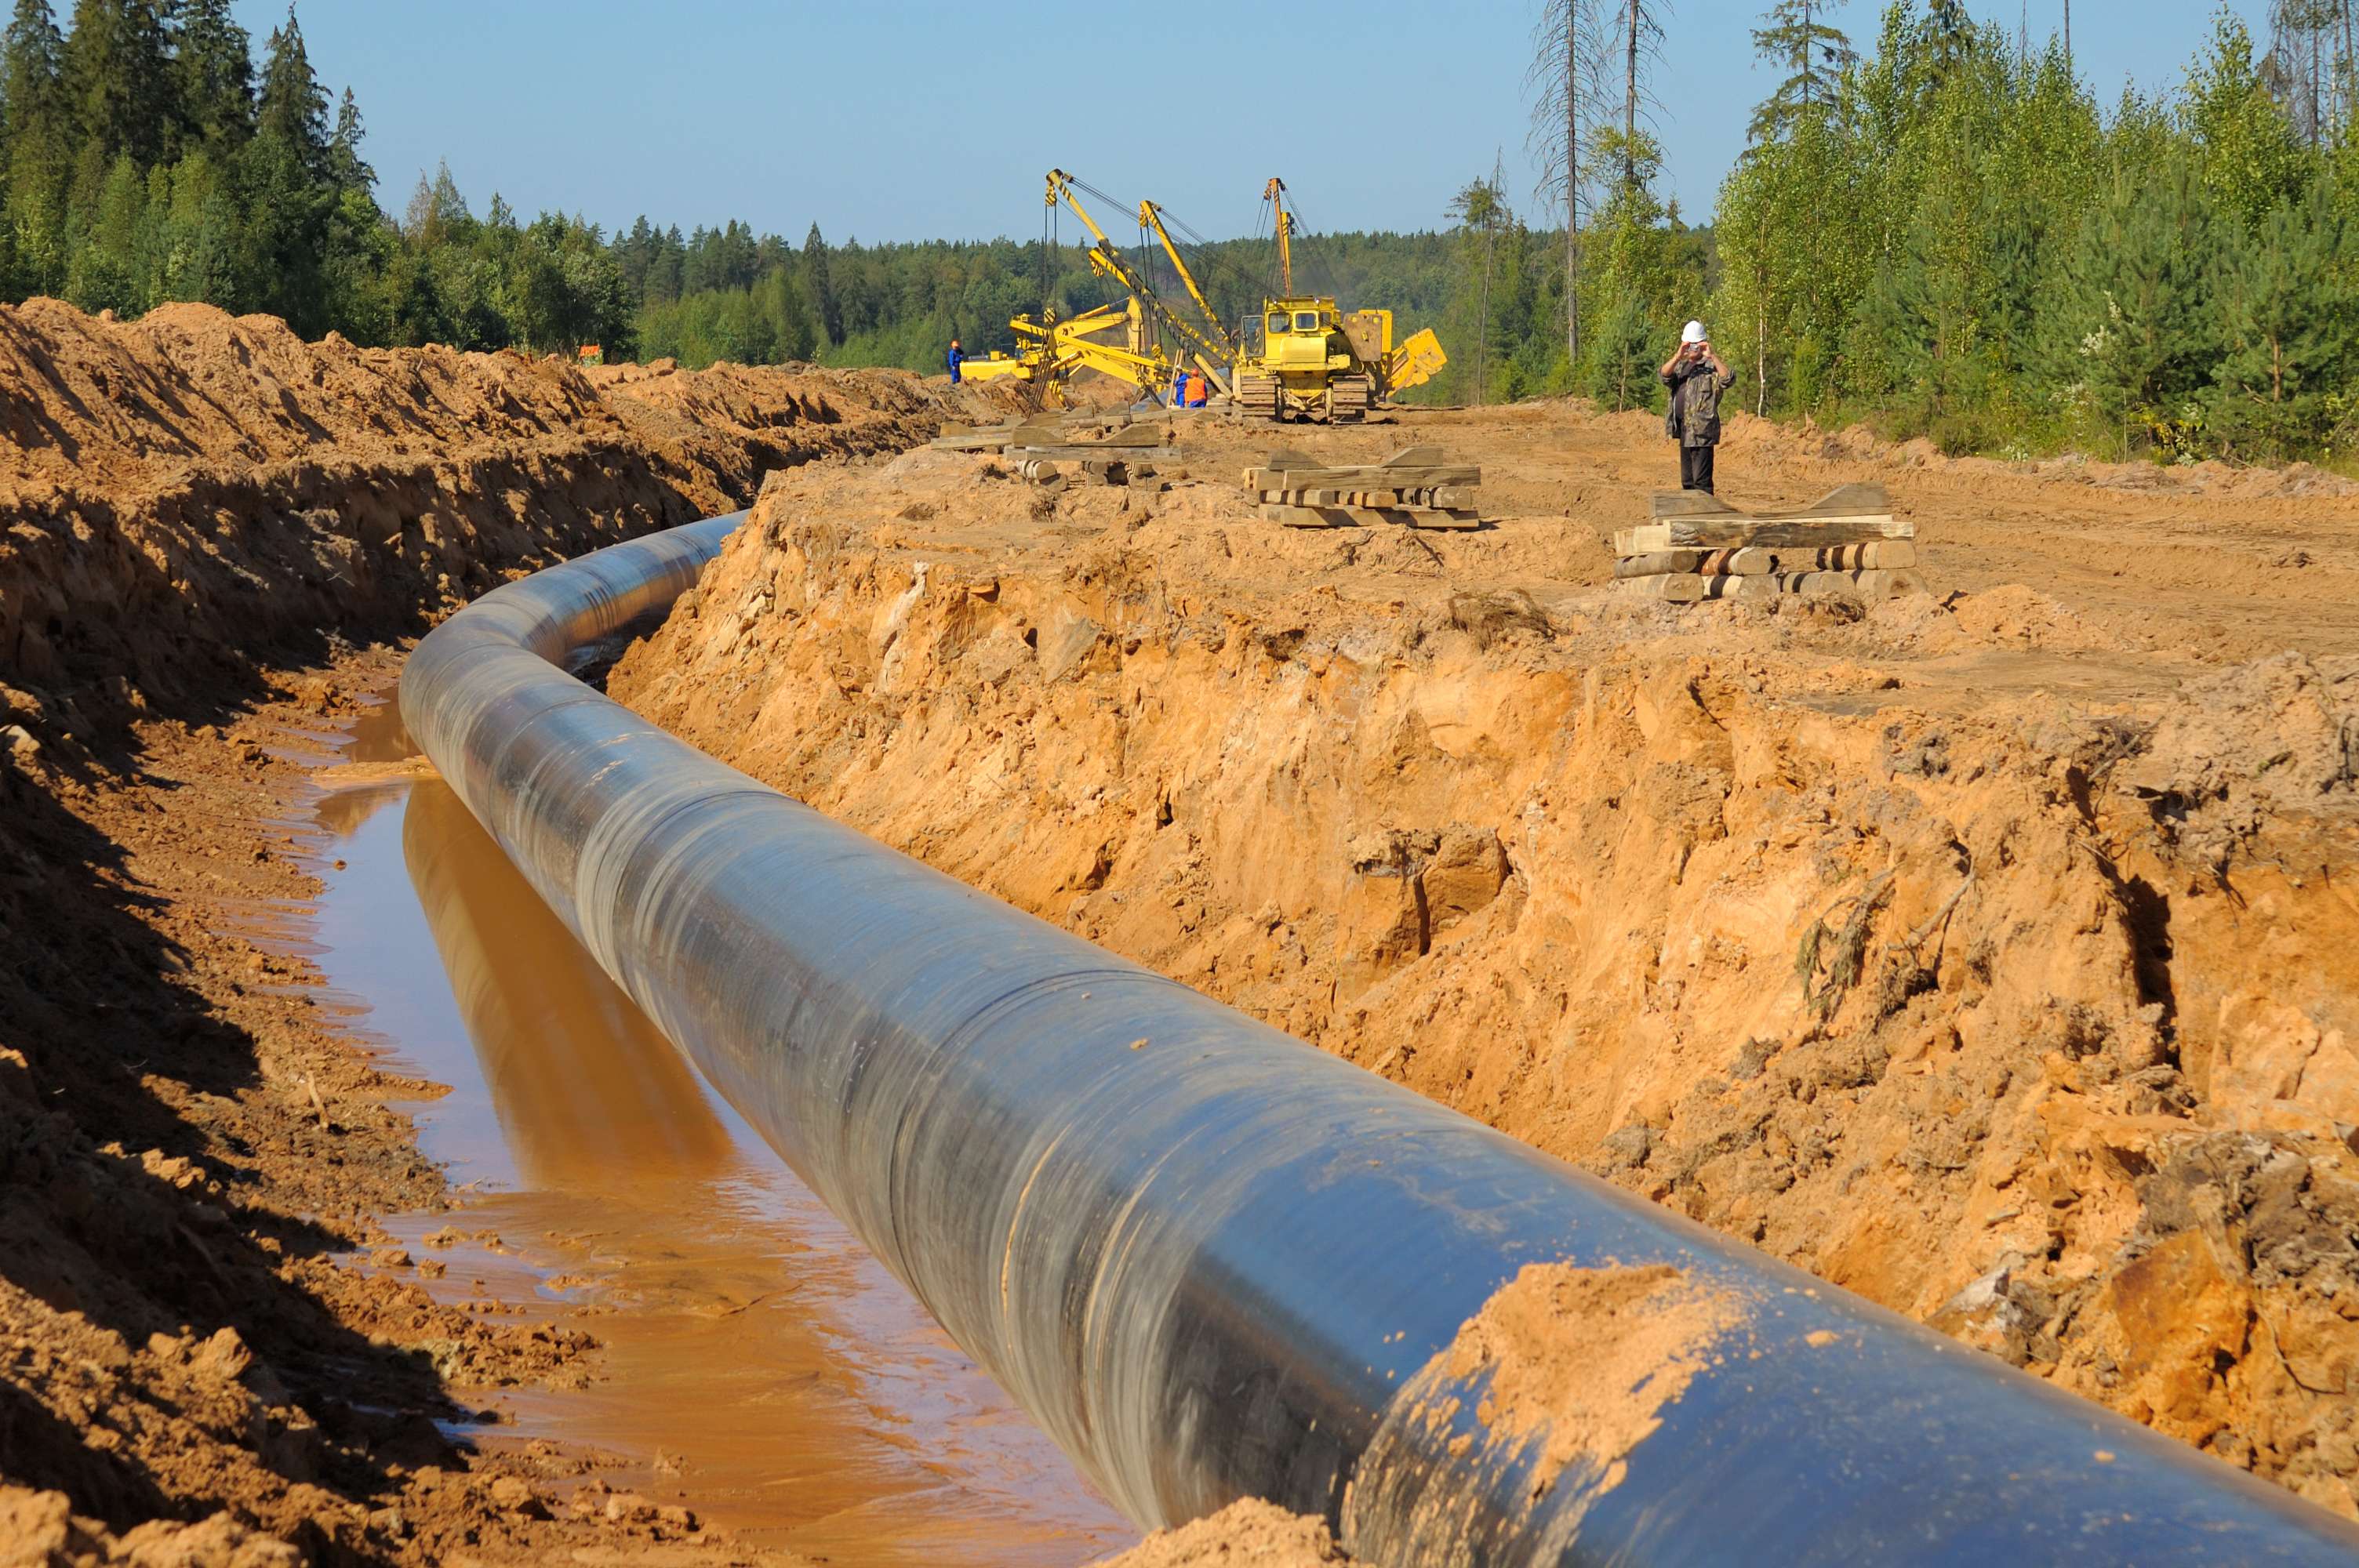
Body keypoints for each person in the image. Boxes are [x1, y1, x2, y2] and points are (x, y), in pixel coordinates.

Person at [1659, 321, 1735, 493]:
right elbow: (1664, 375)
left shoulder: (1711, 368)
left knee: (1701, 482)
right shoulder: (1680, 366)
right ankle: (1690, 514)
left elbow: (1728, 379)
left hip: (1702, 433)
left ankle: (1705, 516)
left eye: (1695, 344)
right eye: (1689, 344)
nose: (1692, 348)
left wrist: (1712, 356)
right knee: (1687, 481)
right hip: (1684, 430)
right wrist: (1678, 356)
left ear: (1702, 343)